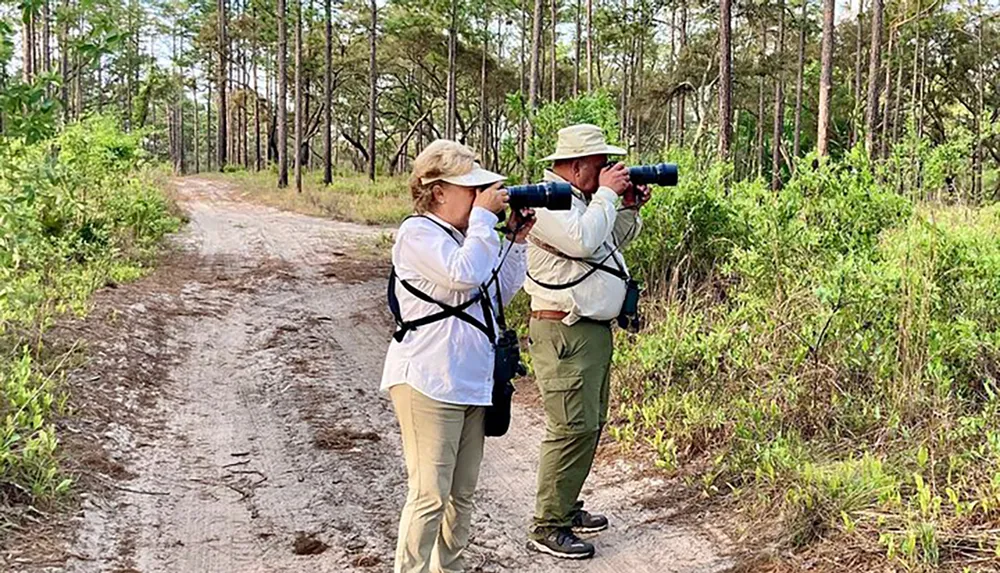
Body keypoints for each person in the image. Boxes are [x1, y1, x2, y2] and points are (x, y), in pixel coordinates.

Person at [381, 139, 535, 573]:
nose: (479, 197)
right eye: (470, 189)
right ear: (438, 191)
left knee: (462, 493)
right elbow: (463, 276)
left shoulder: (470, 237)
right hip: (428, 380)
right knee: (430, 493)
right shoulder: (417, 233)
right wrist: (485, 220)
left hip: (472, 380)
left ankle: (449, 568)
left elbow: (497, 290)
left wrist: (516, 240)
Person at [523, 124, 650, 559]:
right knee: (570, 428)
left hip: (589, 331)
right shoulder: (548, 200)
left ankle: (566, 506)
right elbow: (581, 242)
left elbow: (610, 240)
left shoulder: (582, 200)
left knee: (589, 426)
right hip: (564, 330)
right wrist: (609, 196)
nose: (608, 171)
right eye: (601, 165)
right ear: (578, 166)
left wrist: (627, 206)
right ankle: (547, 525)